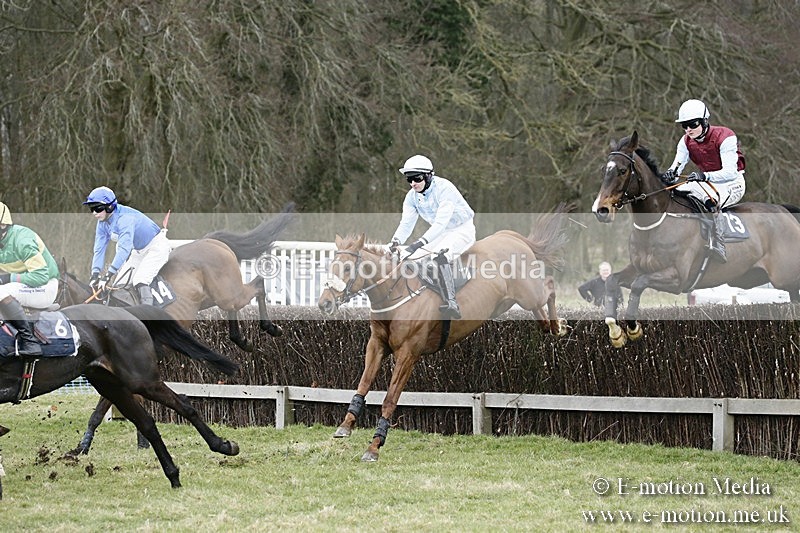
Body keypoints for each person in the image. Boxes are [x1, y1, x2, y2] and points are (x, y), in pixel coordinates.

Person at [389, 154, 475, 319]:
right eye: (409, 179)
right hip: (440, 233)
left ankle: (452, 302)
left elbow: (440, 224)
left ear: (428, 176)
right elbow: (406, 224)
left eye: (417, 178)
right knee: (409, 258)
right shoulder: (411, 197)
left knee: (438, 256)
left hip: (461, 229)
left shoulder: (445, 188)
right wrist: (396, 241)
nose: (413, 183)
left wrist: (416, 244)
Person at [660, 99, 746, 263]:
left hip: (732, 183)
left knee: (710, 199)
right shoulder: (685, 141)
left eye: (692, 124)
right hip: (706, 182)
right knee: (677, 192)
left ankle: (719, 243)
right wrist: (671, 175)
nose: (688, 130)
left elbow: (730, 172)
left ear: (704, 121)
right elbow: (676, 168)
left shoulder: (725, 136)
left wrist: (704, 176)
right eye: (684, 125)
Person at [83, 186, 170, 305]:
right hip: (138, 251)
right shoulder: (102, 223)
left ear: (109, 206)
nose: (94, 213)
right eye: (91, 208)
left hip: (156, 247)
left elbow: (124, 249)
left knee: (140, 280)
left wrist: (108, 275)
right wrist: (95, 274)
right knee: (119, 286)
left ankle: (148, 315)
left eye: (97, 208)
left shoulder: (125, 218)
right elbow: (99, 249)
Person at [0, 202, 60, 356]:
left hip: (45, 287)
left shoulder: (22, 240)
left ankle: (30, 342)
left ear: (2, 225)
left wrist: (7, 277)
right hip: (24, 287)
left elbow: (41, 276)